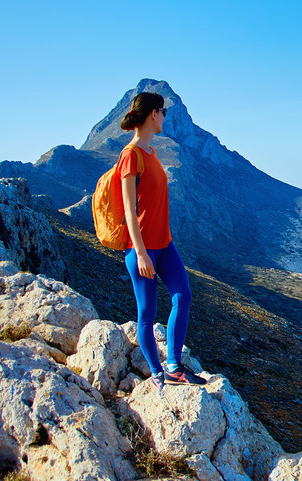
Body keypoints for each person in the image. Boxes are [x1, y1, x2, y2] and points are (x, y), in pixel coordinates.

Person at [118, 92, 206, 391]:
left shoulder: (153, 154)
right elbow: (129, 208)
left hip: (164, 244)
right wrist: (141, 253)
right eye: (163, 112)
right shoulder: (131, 155)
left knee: (183, 296)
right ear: (153, 114)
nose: (165, 118)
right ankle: (158, 373)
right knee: (147, 314)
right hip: (142, 249)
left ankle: (174, 366)